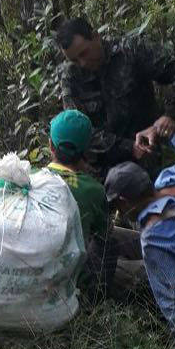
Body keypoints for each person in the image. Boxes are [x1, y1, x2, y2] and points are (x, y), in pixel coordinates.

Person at [104, 131, 175, 349]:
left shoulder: (154, 240)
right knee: (112, 236)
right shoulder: (171, 178)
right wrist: (172, 133)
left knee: (113, 268)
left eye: (117, 206)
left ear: (123, 202)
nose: (118, 211)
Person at [56, 16, 175, 173]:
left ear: (95, 37)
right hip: (96, 170)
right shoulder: (71, 75)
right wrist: (129, 147)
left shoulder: (130, 51)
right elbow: (76, 128)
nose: (82, 63)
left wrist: (170, 114)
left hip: (143, 163)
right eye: (74, 60)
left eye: (84, 53)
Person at [47, 110, 113, 297]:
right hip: (72, 281)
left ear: (50, 145)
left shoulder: (28, 177)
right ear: (87, 151)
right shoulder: (93, 189)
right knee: (134, 263)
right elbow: (105, 237)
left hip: (36, 271)